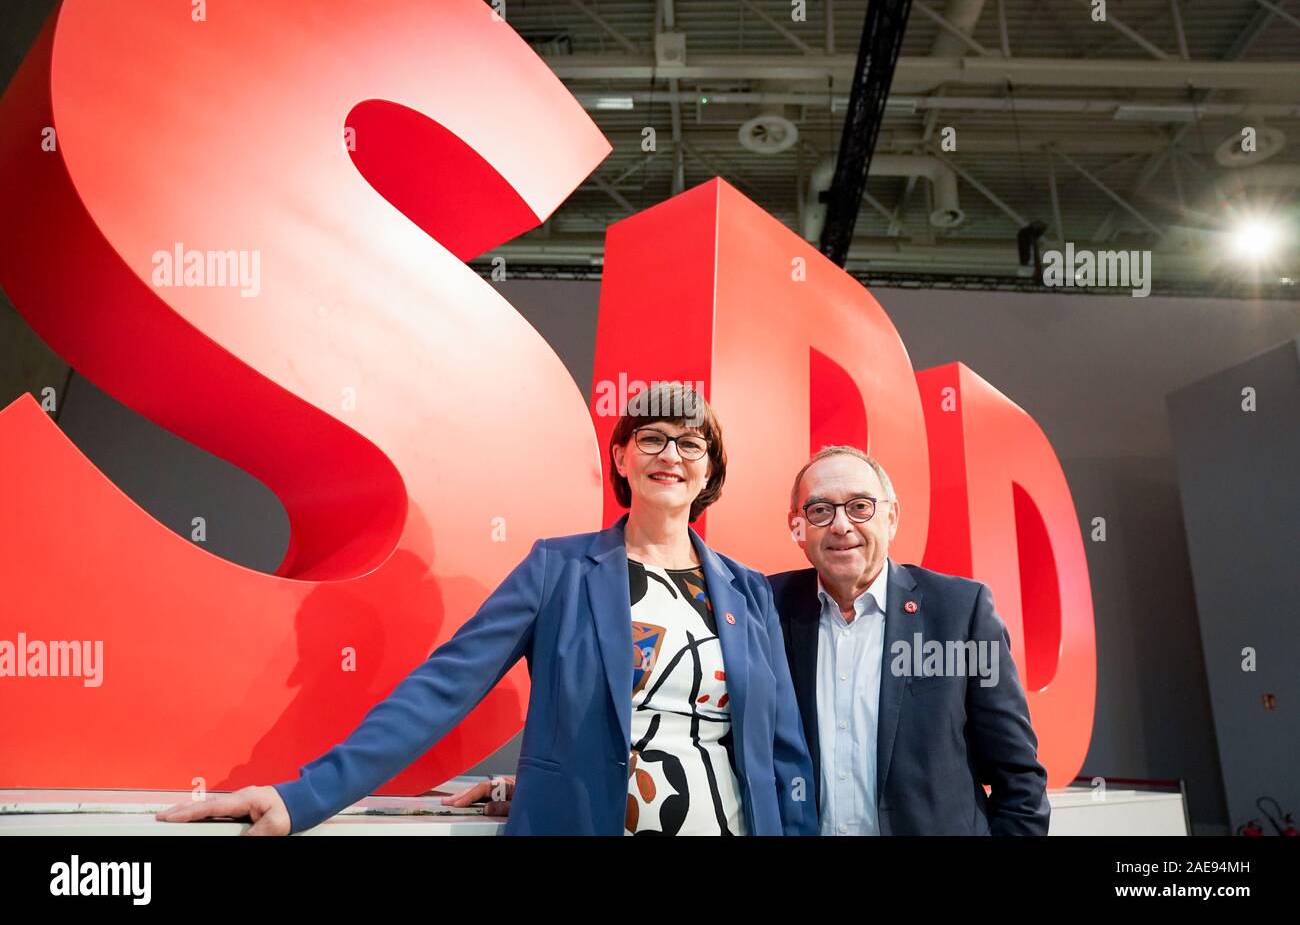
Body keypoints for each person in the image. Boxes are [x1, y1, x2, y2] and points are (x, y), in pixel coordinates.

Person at [156, 382, 817, 835]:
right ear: (621, 456)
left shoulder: (749, 592)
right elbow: (443, 690)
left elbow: (782, 752)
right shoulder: (558, 569)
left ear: (709, 472)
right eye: (651, 438)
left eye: (690, 443)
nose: (670, 454)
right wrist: (304, 797)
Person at [769, 445, 1050, 835]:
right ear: (797, 527)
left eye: (860, 506)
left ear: (892, 517)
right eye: (819, 510)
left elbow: (1018, 775)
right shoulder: (766, 609)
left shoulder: (961, 612)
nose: (841, 525)